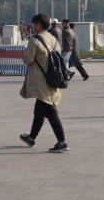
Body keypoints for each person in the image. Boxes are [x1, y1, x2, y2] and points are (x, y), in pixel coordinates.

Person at [19, 13, 68, 152]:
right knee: (39, 110)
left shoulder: (35, 40)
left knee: (50, 111)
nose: (32, 26)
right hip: (53, 78)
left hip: (41, 81)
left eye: (33, 24)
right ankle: (31, 137)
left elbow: (28, 59)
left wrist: (25, 55)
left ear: (38, 24)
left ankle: (62, 142)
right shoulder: (53, 39)